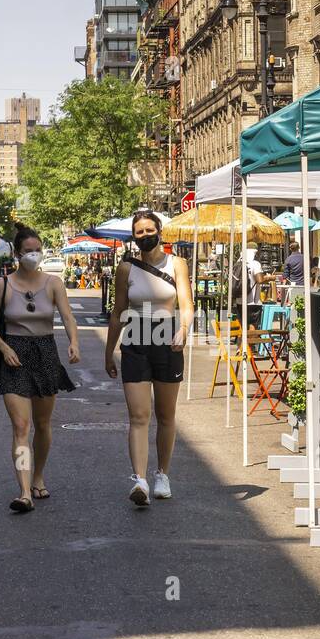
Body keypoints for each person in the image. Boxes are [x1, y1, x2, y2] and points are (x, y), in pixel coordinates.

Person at [0, 225, 80, 513]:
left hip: (46, 353)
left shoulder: (53, 283)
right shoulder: (3, 285)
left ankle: (38, 475)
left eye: (37, 250)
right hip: (15, 356)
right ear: (16, 253)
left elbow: (68, 315)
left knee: (43, 425)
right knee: (21, 427)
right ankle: (24, 490)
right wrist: (4, 348)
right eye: (28, 251)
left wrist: (74, 342)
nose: (33, 256)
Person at [105, 212, 194, 506]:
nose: (144, 235)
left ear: (160, 230)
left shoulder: (176, 263)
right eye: (139, 232)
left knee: (166, 415)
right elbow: (118, 312)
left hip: (167, 339)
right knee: (139, 416)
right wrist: (109, 352)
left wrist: (182, 328)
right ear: (134, 236)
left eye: (149, 230)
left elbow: (187, 304)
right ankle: (140, 480)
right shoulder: (125, 268)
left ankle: (162, 474)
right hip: (135, 339)